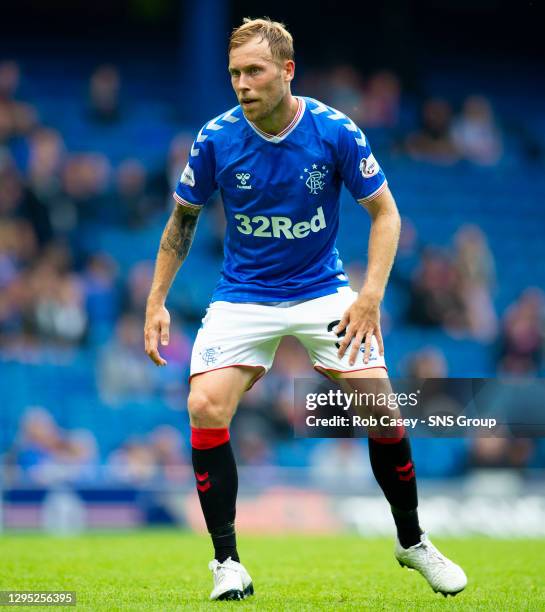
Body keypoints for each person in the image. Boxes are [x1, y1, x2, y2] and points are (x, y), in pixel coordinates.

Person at [144, 17, 467, 602]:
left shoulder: (333, 131)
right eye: (234, 73)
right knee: (204, 404)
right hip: (243, 295)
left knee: (383, 409)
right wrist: (156, 300)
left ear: (287, 71)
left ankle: (413, 541)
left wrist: (369, 298)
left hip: (322, 289)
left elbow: (387, 215)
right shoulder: (215, 138)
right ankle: (226, 562)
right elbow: (181, 222)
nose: (242, 84)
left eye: (254, 72)